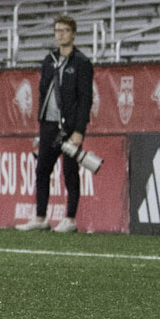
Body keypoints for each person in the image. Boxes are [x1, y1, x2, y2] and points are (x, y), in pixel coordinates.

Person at [19, 15, 93, 233]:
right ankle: (41, 217)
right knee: (42, 169)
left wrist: (79, 130)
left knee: (70, 171)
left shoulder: (82, 63)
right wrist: (41, 123)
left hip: (69, 127)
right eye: (57, 30)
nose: (60, 34)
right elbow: (43, 93)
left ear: (73, 34)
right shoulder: (49, 60)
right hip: (49, 125)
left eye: (65, 30)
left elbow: (85, 99)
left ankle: (70, 218)